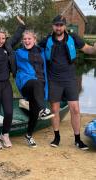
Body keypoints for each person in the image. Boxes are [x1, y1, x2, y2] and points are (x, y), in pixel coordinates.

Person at [39, 15, 96, 150]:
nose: (58, 27)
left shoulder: (73, 38)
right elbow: (33, 50)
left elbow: (87, 49)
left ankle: (77, 139)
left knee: (75, 109)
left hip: (70, 79)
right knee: (54, 110)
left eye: (61, 25)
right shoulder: (46, 40)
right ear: (53, 26)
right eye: (56, 25)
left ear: (64, 26)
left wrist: (95, 49)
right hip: (54, 80)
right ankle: (56, 137)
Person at [0, 16, 25, 150]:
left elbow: (18, 36)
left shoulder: (8, 45)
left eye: (3, 38)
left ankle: (5, 134)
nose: (1, 41)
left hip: (6, 84)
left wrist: (22, 25)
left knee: (9, 112)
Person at [15, 30, 54, 148]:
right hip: (26, 82)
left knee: (33, 112)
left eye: (29, 39)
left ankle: (28, 135)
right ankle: (43, 109)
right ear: (22, 41)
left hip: (40, 84)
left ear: (34, 40)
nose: (27, 41)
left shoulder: (41, 51)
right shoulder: (18, 53)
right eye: (25, 39)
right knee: (36, 86)